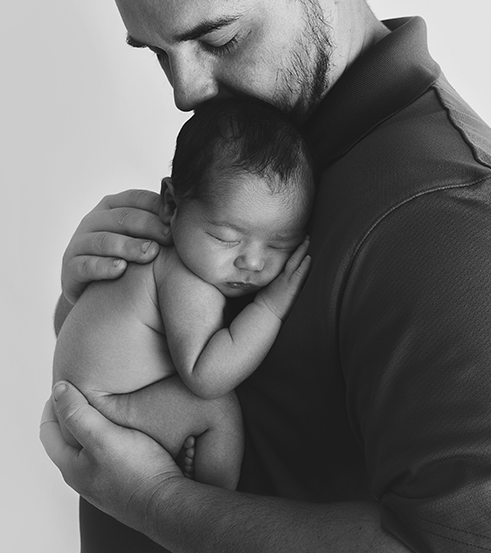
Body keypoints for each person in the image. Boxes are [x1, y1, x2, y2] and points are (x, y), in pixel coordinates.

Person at [40, 0, 491, 553]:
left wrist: (157, 501)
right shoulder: (266, 152)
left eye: (220, 37)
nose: (186, 91)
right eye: (159, 51)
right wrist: (94, 292)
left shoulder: (460, 222)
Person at [53, 99, 313, 490]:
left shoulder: (150, 254)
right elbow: (206, 376)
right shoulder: (185, 278)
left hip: (86, 399)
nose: (254, 263)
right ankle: (211, 504)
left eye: (279, 245)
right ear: (171, 205)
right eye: (227, 238)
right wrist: (270, 308)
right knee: (218, 409)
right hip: (101, 412)